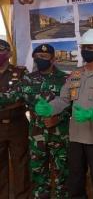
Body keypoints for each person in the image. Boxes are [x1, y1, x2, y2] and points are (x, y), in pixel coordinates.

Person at [35, 29, 93, 199]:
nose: (87, 50)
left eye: (92, 47)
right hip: (76, 137)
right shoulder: (75, 74)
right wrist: (50, 108)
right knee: (75, 181)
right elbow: (63, 99)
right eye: (84, 47)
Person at [2, 43, 71, 198]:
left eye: (44, 57)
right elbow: (10, 96)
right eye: (37, 57)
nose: (40, 60)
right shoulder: (27, 79)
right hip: (36, 137)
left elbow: (73, 107)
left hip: (60, 137)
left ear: (53, 59)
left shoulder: (65, 79)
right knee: (39, 178)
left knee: (63, 177)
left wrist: (58, 117)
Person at [0, 39, 31, 199]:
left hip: (17, 125)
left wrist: (10, 102)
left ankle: (23, 196)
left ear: (9, 54)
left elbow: (23, 97)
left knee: (21, 164)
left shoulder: (20, 72)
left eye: (2, 51)